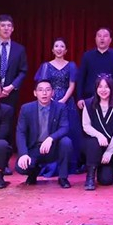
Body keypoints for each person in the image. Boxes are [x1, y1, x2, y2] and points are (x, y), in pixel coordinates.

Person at [34, 38, 80, 175]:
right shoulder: (46, 66)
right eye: (56, 46)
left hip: (67, 101)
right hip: (49, 100)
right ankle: (49, 163)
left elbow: (72, 85)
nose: (59, 49)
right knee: (50, 129)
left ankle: (69, 164)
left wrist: (63, 100)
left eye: (62, 46)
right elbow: (43, 84)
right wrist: (51, 99)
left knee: (70, 131)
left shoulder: (71, 65)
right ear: (52, 50)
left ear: (66, 50)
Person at [15, 80, 73, 188]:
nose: (44, 93)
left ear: (53, 92)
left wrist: (51, 138)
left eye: (48, 90)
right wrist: (23, 154)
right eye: (40, 90)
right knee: (21, 167)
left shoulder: (60, 107)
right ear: (35, 93)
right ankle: (33, 173)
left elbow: (65, 127)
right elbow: (20, 132)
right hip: (34, 148)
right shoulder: (26, 109)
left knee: (66, 142)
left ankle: (63, 177)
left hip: (53, 147)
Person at [81, 74, 113, 190]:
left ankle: (102, 167)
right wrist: (99, 135)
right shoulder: (88, 104)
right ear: (96, 88)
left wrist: (109, 152)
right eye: (100, 87)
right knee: (93, 142)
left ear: (112, 88)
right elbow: (86, 126)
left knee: (106, 181)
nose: (103, 90)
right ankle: (90, 175)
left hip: (111, 146)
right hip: (93, 144)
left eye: (106, 87)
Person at [76, 27, 113, 109]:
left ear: (110, 40)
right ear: (95, 39)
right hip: (90, 98)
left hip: (112, 99)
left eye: (105, 36)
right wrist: (79, 98)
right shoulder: (87, 56)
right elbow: (81, 78)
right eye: (99, 36)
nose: (102, 38)